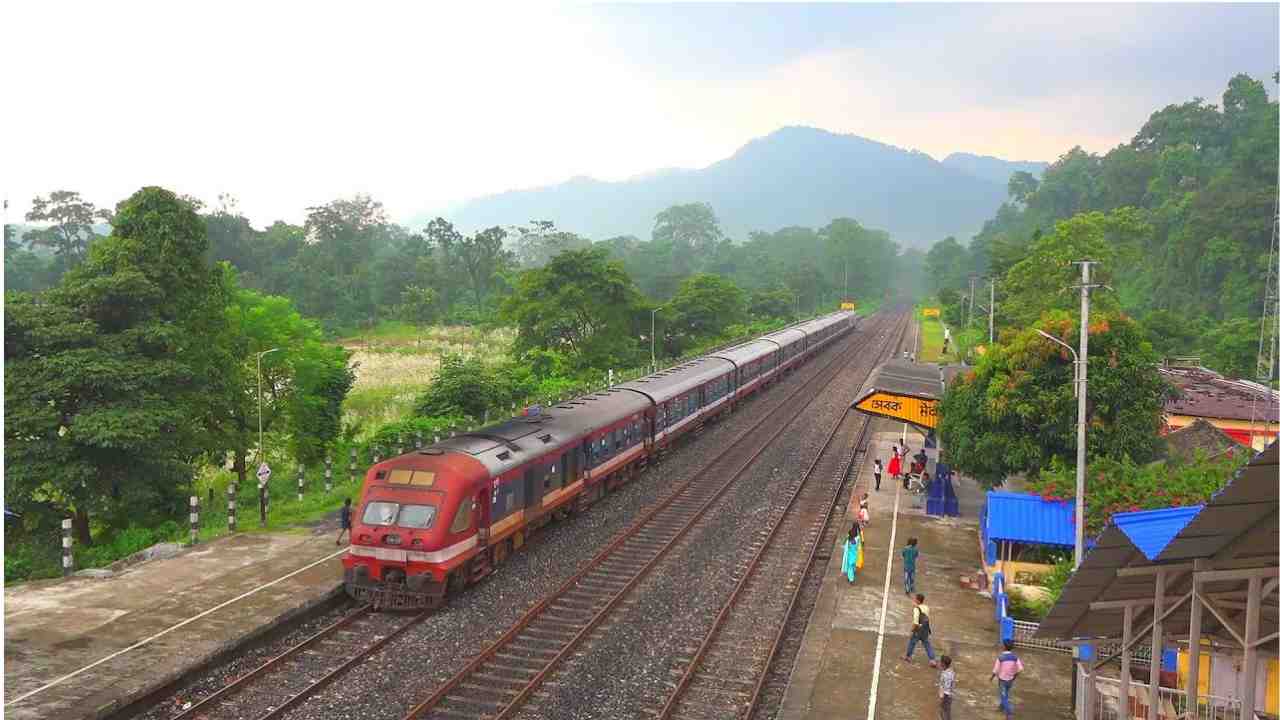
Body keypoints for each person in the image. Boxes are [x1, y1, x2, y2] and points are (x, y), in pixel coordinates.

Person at [991, 639, 1025, 718]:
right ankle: (1001, 707)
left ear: (1004, 647)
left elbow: (995, 670)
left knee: (1004, 696)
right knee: (1006, 693)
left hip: (1002, 680)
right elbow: (1020, 669)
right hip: (1010, 680)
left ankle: (1009, 713)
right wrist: (1014, 676)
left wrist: (991, 677)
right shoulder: (1015, 657)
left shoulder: (1001, 657)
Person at [904, 593, 937, 666]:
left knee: (912, 642)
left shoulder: (916, 609)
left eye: (915, 599)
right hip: (925, 629)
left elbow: (915, 622)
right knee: (927, 644)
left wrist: (912, 631)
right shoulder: (926, 607)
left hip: (918, 629)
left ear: (918, 600)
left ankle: (908, 657)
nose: (914, 600)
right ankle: (932, 660)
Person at [938, 655, 955, 720]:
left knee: (943, 711)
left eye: (940, 662)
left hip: (946, 696)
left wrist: (942, 698)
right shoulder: (950, 671)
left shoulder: (946, 675)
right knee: (947, 711)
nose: (939, 663)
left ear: (943, 664)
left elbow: (946, 689)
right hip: (949, 696)